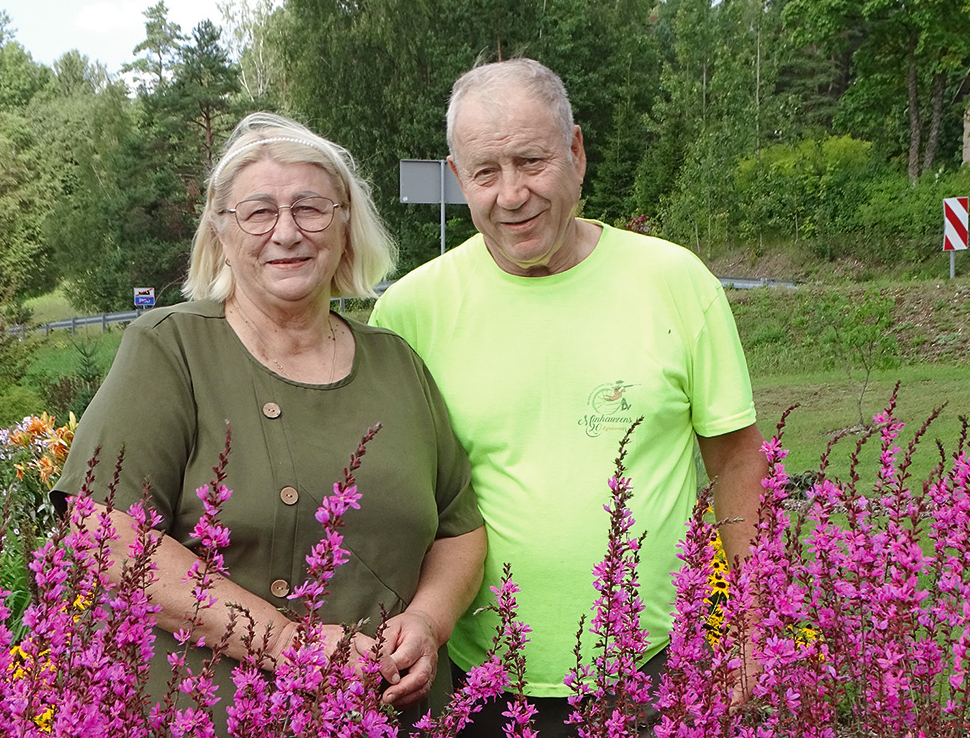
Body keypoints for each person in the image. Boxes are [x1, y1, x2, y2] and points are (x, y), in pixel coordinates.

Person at [53, 112, 487, 734]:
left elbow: (459, 527)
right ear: (222, 233)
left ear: (344, 226)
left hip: (396, 713)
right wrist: (287, 642)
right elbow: (106, 538)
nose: (286, 232)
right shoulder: (170, 349)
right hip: (217, 715)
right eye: (258, 212)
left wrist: (428, 621)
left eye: (311, 208)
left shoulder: (396, 362)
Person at [369, 58, 767, 736]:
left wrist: (753, 624)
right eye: (486, 172)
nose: (512, 194)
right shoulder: (410, 313)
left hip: (658, 669)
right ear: (458, 177)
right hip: (472, 679)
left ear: (576, 152)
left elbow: (735, 463)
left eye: (532, 161)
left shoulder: (673, 279)